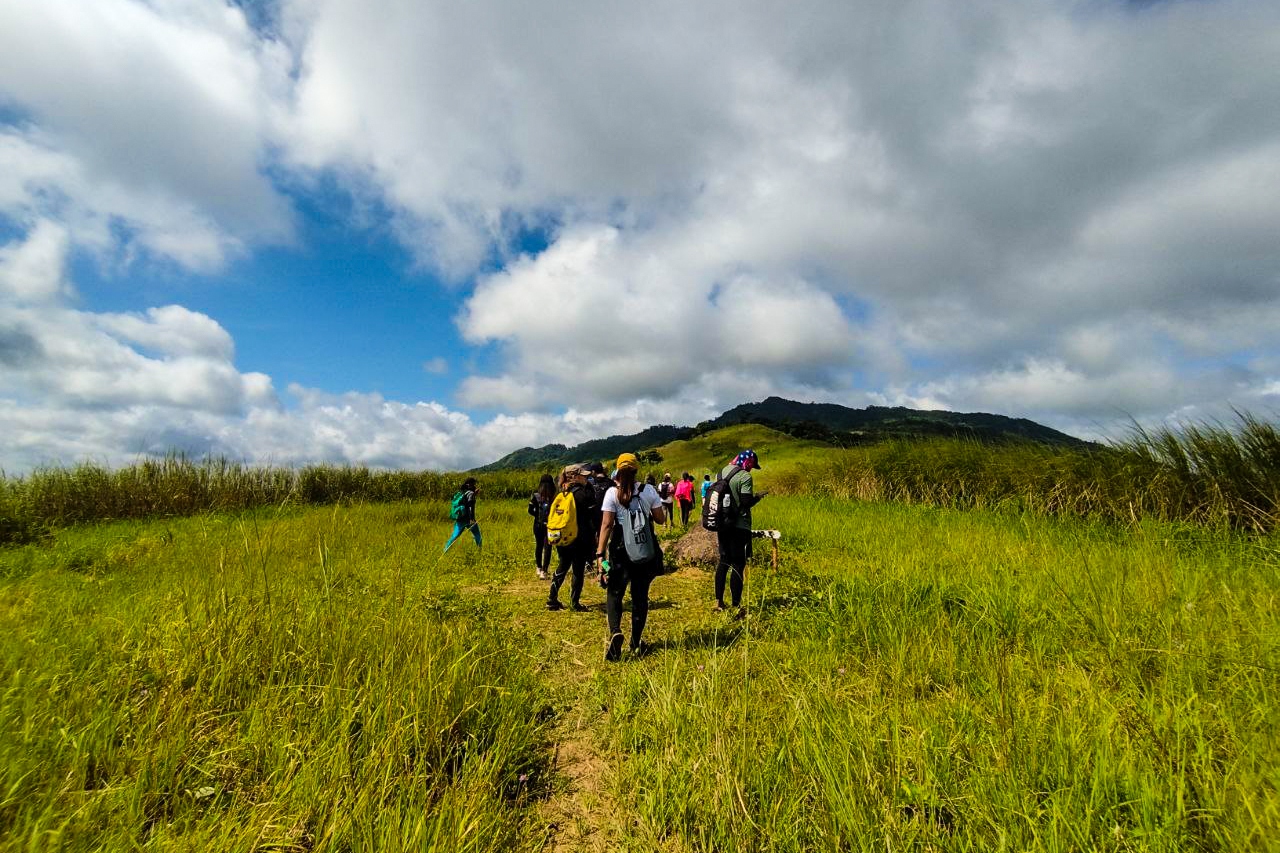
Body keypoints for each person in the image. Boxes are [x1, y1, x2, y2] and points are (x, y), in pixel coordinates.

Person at [594, 453, 666, 660]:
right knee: (640, 597)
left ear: (617, 470)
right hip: (644, 551)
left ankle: (616, 631)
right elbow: (660, 520)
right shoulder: (648, 490)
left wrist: (600, 555)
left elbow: (606, 526)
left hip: (620, 551)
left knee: (615, 593)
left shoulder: (611, 494)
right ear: (636, 470)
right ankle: (636, 642)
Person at [715, 450, 766, 614]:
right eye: (752, 465)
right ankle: (736, 605)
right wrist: (758, 497)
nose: (751, 469)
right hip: (739, 525)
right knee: (738, 564)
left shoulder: (721, 472)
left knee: (724, 561)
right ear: (748, 462)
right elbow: (746, 501)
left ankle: (718, 602)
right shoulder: (745, 476)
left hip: (722, 524)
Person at [548, 464, 598, 611]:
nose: (586, 477)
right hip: (579, 538)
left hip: (563, 536)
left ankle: (552, 598)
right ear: (575, 477)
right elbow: (593, 514)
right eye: (583, 475)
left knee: (562, 566)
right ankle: (574, 603)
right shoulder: (582, 494)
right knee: (578, 570)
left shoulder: (562, 493)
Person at [443, 477, 482, 552]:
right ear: (469, 484)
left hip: (460, 518)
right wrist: (472, 519)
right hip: (468, 519)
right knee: (477, 535)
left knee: (454, 536)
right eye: (473, 484)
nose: (475, 485)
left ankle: (445, 551)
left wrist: (474, 494)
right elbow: (470, 506)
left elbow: (465, 502)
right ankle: (479, 552)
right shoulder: (470, 493)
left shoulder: (462, 492)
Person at [528, 473, 555, 580]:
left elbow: (530, 510)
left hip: (537, 524)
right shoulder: (554, 495)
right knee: (548, 547)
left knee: (538, 546)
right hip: (550, 524)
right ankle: (545, 570)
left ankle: (538, 568)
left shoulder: (536, 495)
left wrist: (537, 516)